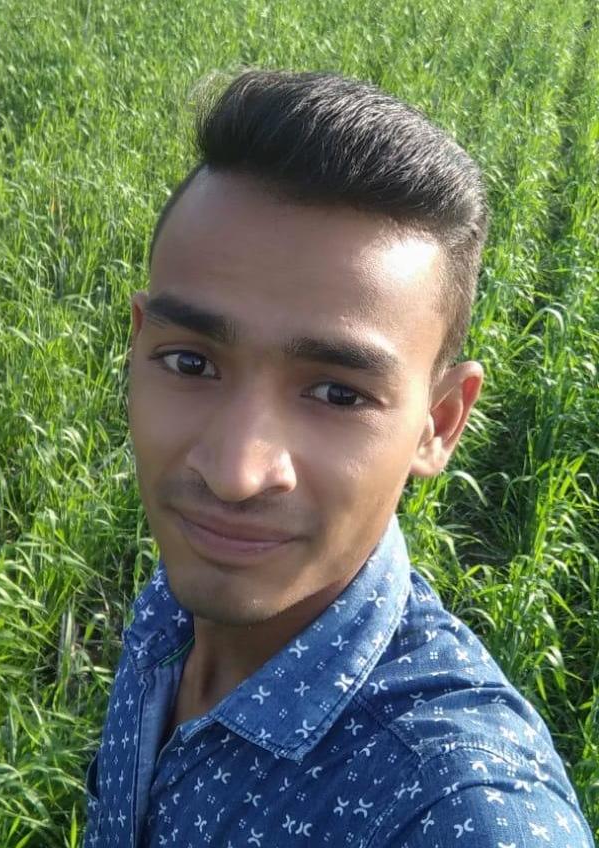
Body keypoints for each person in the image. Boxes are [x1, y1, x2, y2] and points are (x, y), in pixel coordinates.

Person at [82, 69, 593, 847]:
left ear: (439, 423)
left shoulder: (463, 814)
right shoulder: (177, 601)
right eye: (191, 363)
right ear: (138, 343)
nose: (234, 474)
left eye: (337, 394)